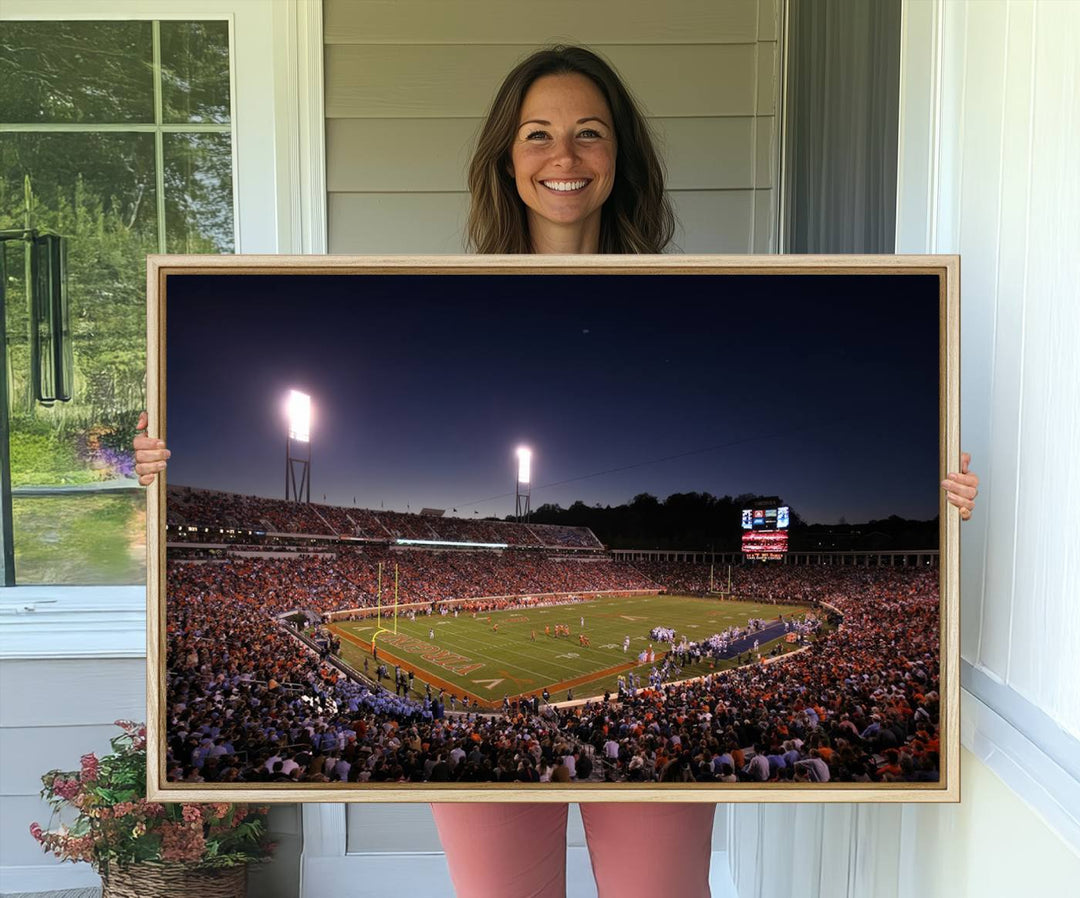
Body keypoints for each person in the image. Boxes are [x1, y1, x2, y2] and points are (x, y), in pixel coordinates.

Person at [135, 44, 980, 898]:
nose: (563, 157)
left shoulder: (682, 304)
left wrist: (936, 493)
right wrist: (162, 467)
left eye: (589, 133)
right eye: (538, 134)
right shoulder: (451, 301)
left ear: (621, 158)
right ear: (507, 157)